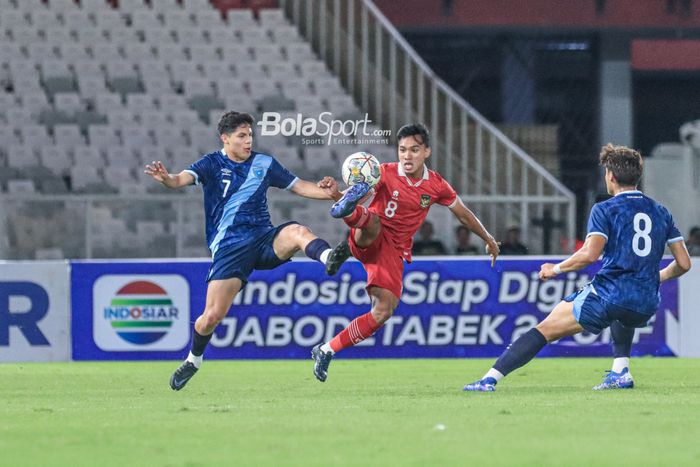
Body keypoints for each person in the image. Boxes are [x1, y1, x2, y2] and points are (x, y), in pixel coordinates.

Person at [464, 143, 692, 392]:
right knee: (624, 308)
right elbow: (683, 263)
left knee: (545, 329)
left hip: (609, 295)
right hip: (645, 301)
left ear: (611, 176)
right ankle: (620, 371)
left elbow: (589, 255)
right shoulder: (661, 212)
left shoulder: (605, 209)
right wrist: (654, 278)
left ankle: (489, 380)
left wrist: (555, 269)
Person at [144, 111, 338, 391]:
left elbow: (300, 187)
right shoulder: (211, 163)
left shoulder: (264, 163)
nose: (249, 141)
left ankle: (329, 258)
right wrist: (166, 178)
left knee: (298, 232)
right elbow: (178, 180)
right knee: (210, 317)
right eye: (242, 136)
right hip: (229, 248)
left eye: (250, 135)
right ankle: (193, 360)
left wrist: (331, 194)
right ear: (225, 138)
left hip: (263, 239)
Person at [311, 123, 501, 382]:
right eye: (402, 150)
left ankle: (326, 349)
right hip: (369, 233)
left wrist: (488, 238)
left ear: (427, 152)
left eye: (414, 150)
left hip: (393, 251)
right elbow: (359, 195)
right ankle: (349, 229)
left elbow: (464, 215)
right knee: (372, 220)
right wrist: (337, 196)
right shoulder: (383, 173)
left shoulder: (436, 186)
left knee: (383, 311)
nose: (407, 156)